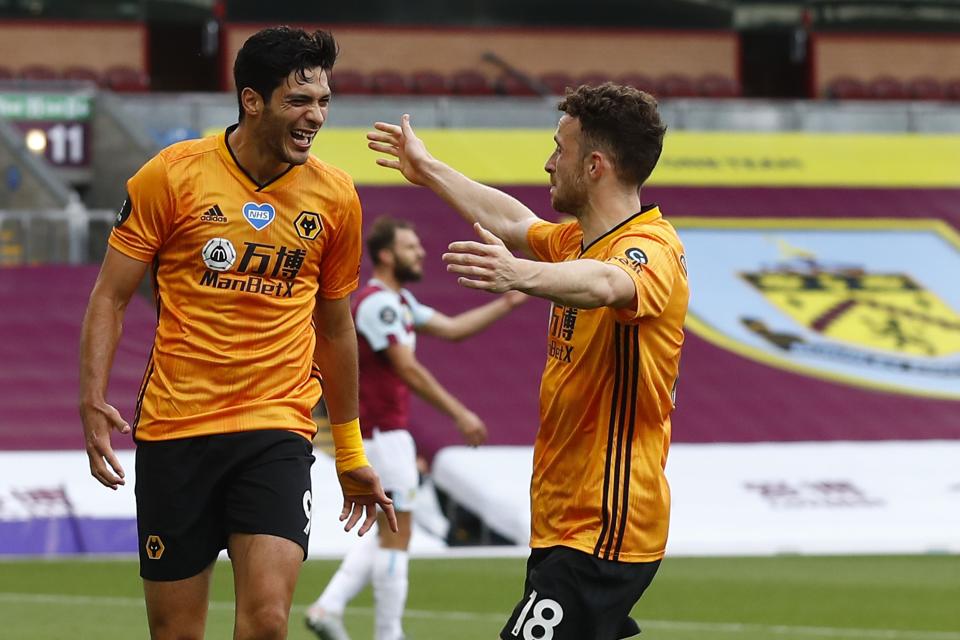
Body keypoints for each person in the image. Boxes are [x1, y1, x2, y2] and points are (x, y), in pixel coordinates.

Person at [79, 27, 396, 640]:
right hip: (178, 428)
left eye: (324, 102)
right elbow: (110, 297)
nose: (316, 117)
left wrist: (351, 452)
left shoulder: (335, 197)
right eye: (299, 101)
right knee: (176, 633)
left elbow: (335, 328)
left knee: (269, 621)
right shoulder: (171, 177)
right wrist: (91, 398)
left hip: (275, 426)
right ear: (253, 101)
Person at [366, 83, 689, 640]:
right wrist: (429, 170)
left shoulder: (651, 250)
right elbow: (513, 222)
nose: (548, 162)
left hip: (606, 522)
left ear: (594, 166)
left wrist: (519, 275)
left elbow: (611, 283)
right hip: (564, 520)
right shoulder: (577, 243)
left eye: (558, 148)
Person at [306, 215, 527, 640]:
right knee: (397, 536)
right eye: (410, 247)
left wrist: (507, 302)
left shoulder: (399, 301)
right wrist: (460, 412)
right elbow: (407, 369)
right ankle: (388, 633)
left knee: (392, 532)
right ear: (387, 255)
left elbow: (452, 329)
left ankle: (327, 608)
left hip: (387, 436)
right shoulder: (379, 303)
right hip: (382, 434)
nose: (421, 252)